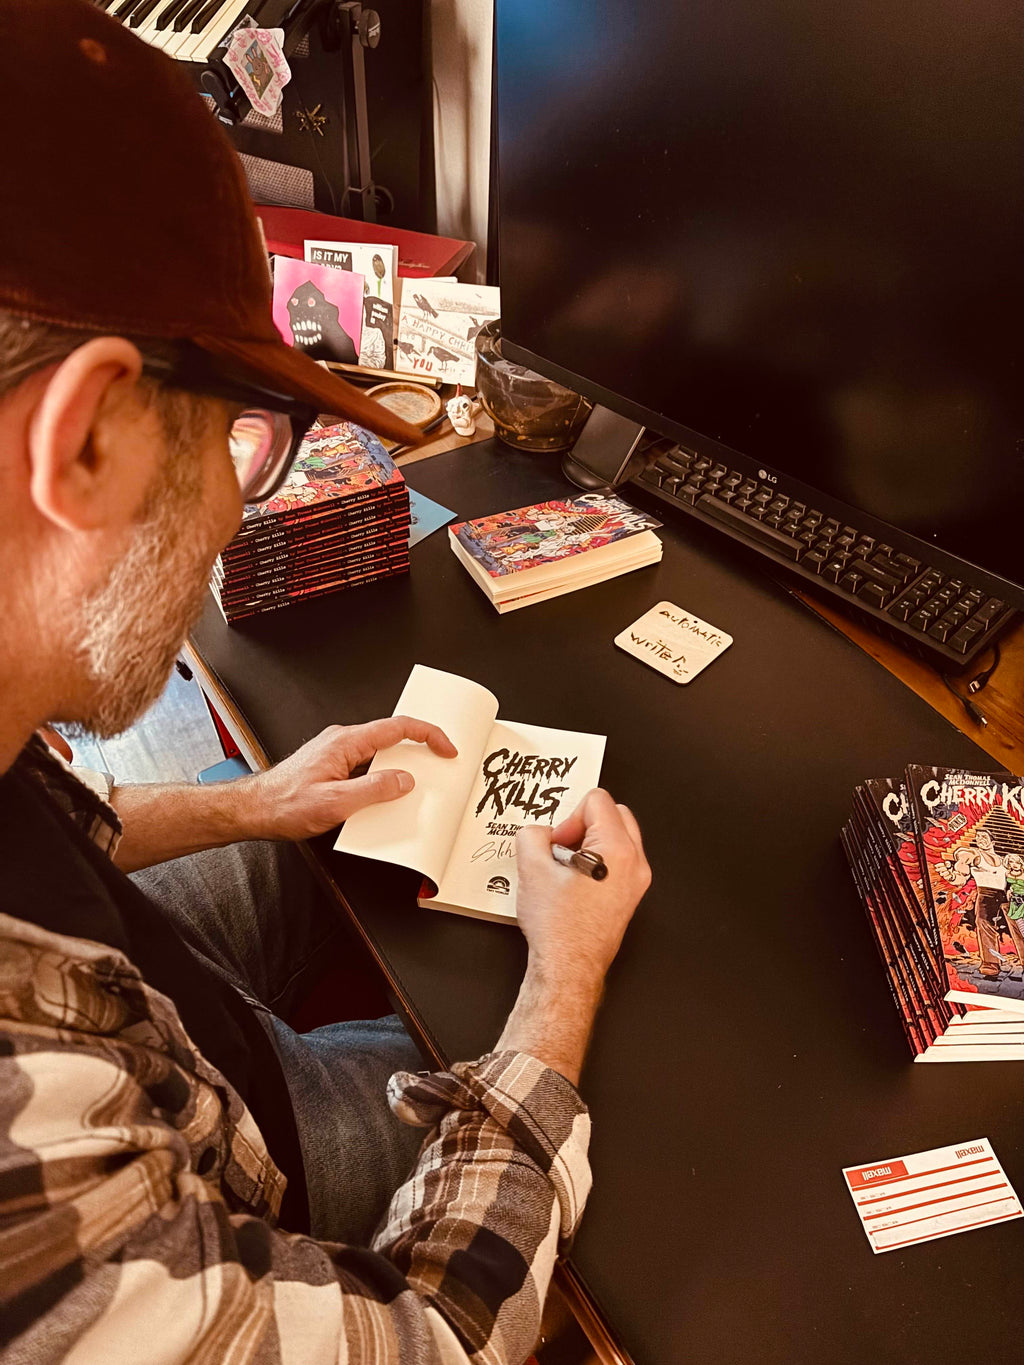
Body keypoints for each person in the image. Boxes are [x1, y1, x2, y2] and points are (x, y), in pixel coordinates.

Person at [0, 4, 651, 1363]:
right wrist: (560, 995)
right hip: (246, 1128)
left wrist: (251, 804)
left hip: (155, 990)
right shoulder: (34, 1172)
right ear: (85, 441)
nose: (236, 517)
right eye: (238, 439)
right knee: (565, 1087)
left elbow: (47, 841)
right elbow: (434, 1339)